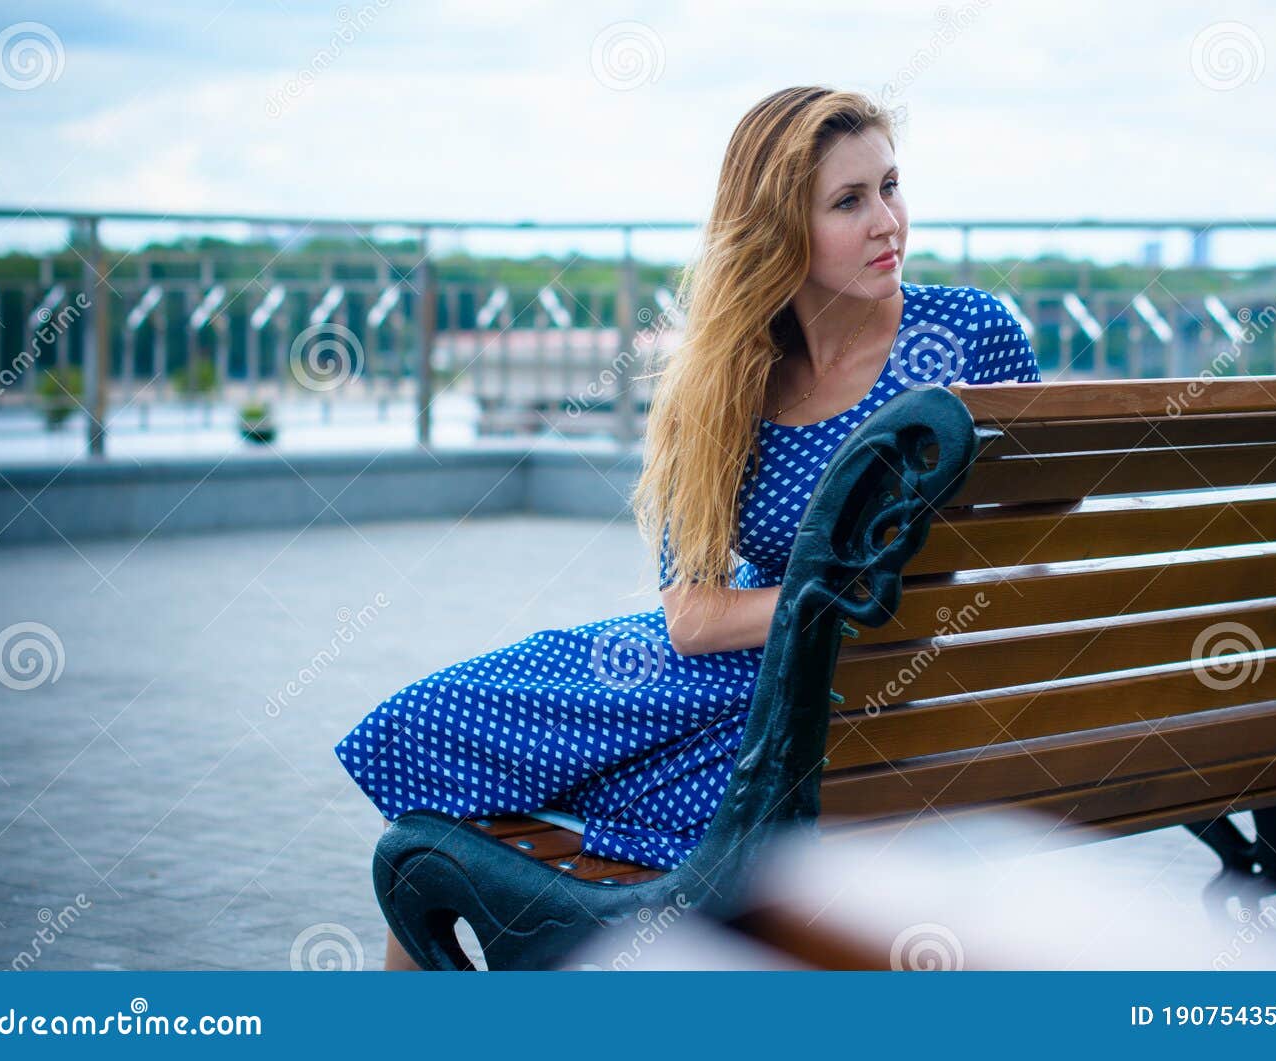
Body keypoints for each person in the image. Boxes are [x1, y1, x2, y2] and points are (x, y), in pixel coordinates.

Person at [333, 85, 1041, 970]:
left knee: (447, 787)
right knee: (445, 754)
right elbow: (692, 620)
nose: (887, 221)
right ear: (778, 228)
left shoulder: (969, 333)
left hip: (831, 704)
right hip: (744, 679)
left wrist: (857, 612)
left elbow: (1034, 527)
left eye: (890, 187)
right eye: (850, 202)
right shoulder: (729, 377)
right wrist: (840, 598)